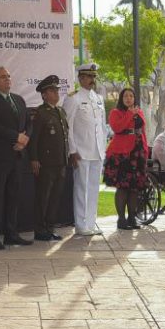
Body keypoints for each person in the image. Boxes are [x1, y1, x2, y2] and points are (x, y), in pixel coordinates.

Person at [0, 66, 33, 249]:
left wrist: (24, 140)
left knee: (13, 196)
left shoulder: (18, 100)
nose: (7, 79)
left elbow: (28, 123)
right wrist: (15, 136)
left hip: (17, 156)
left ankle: (11, 234)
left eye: (9, 76)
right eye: (3, 77)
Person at [63, 63, 108, 236]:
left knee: (93, 187)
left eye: (94, 77)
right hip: (81, 151)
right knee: (81, 187)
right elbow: (68, 127)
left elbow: (102, 127)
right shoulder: (73, 99)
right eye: (89, 77)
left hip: (96, 151)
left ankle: (90, 222)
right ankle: (81, 225)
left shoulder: (98, 98)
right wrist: (72, 150)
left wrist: (103, 148)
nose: (92, 80)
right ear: (81, 78)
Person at [28, 75, 69, 241]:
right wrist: (34, 159)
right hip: (46, 163)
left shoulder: (60, 111)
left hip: (60, 162)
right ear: (44, 95)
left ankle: (50, 227)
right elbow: (34, 139)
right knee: (43, 197)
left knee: (55, 197)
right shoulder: (40, 113)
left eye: (57, 90)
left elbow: (64, 137)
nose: (56, 93)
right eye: (52, 90)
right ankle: (40, 230)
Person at [104, 87, 148, 231]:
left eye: (131, 96)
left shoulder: (139, 111)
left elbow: (142, 131)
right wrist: (129, 114)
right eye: (125, 96)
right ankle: (121, 219)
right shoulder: (115, 113)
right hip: (121, 154)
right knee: (123, 187)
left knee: (135, 188)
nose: (129, 98)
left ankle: (132, 217)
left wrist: (145, 150)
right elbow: (117, 128)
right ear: (121, 99)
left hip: (137, 152)